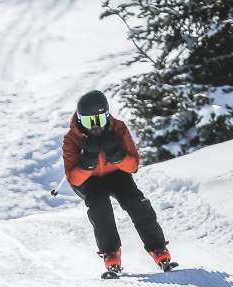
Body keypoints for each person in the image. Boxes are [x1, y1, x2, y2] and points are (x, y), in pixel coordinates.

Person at [62, 90, 175, 275]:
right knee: (100, 207)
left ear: (108, 115)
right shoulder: (72, 139)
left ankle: (158, 249)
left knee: (136, 203)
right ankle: (111, 253)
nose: (96, 126)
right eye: (89, 121)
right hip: (89, 180)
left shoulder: (119, 129)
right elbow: (74, 178)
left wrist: (117, 155)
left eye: (100, 119)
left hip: (117, 174)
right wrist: (88, 161)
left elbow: (133, 166)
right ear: (80, 120)